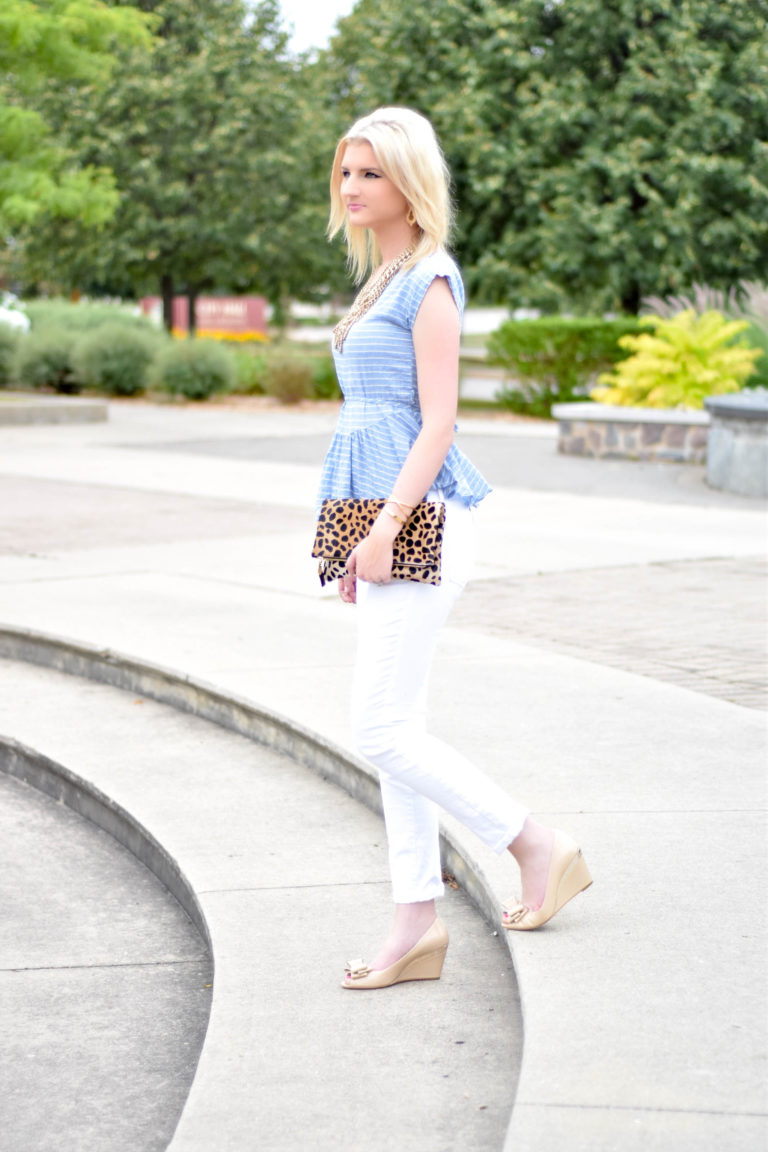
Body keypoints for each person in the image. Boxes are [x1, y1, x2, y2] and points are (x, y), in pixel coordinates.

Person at [316, 107, 591, 990]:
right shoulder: (381, 276)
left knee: (379, 726)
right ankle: (415, 922)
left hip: (421, 519)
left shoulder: (428, 277)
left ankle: (534, 842)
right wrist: (357, 537)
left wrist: (386, 530)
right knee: (397, 728)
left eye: (371, 173)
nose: (353, 187)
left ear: (409, 181)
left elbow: (439, 420)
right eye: (347, 172)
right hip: (380, 519)